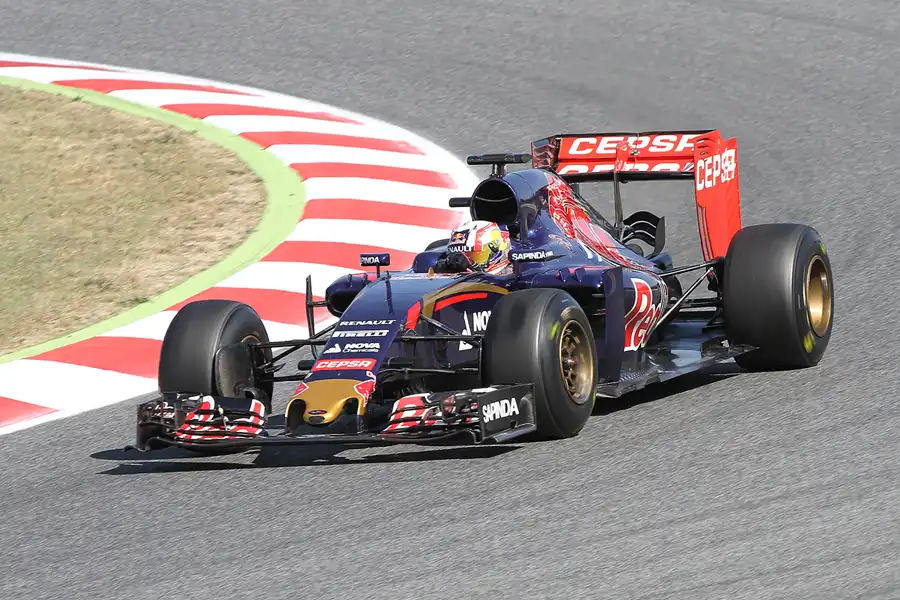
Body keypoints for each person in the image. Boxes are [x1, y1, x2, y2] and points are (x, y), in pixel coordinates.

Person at [433, 220, 511, 274]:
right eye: (456, 257)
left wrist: (473, 266)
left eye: (474, 256)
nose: (461, 264)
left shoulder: (514, 273)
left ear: (495, 249)